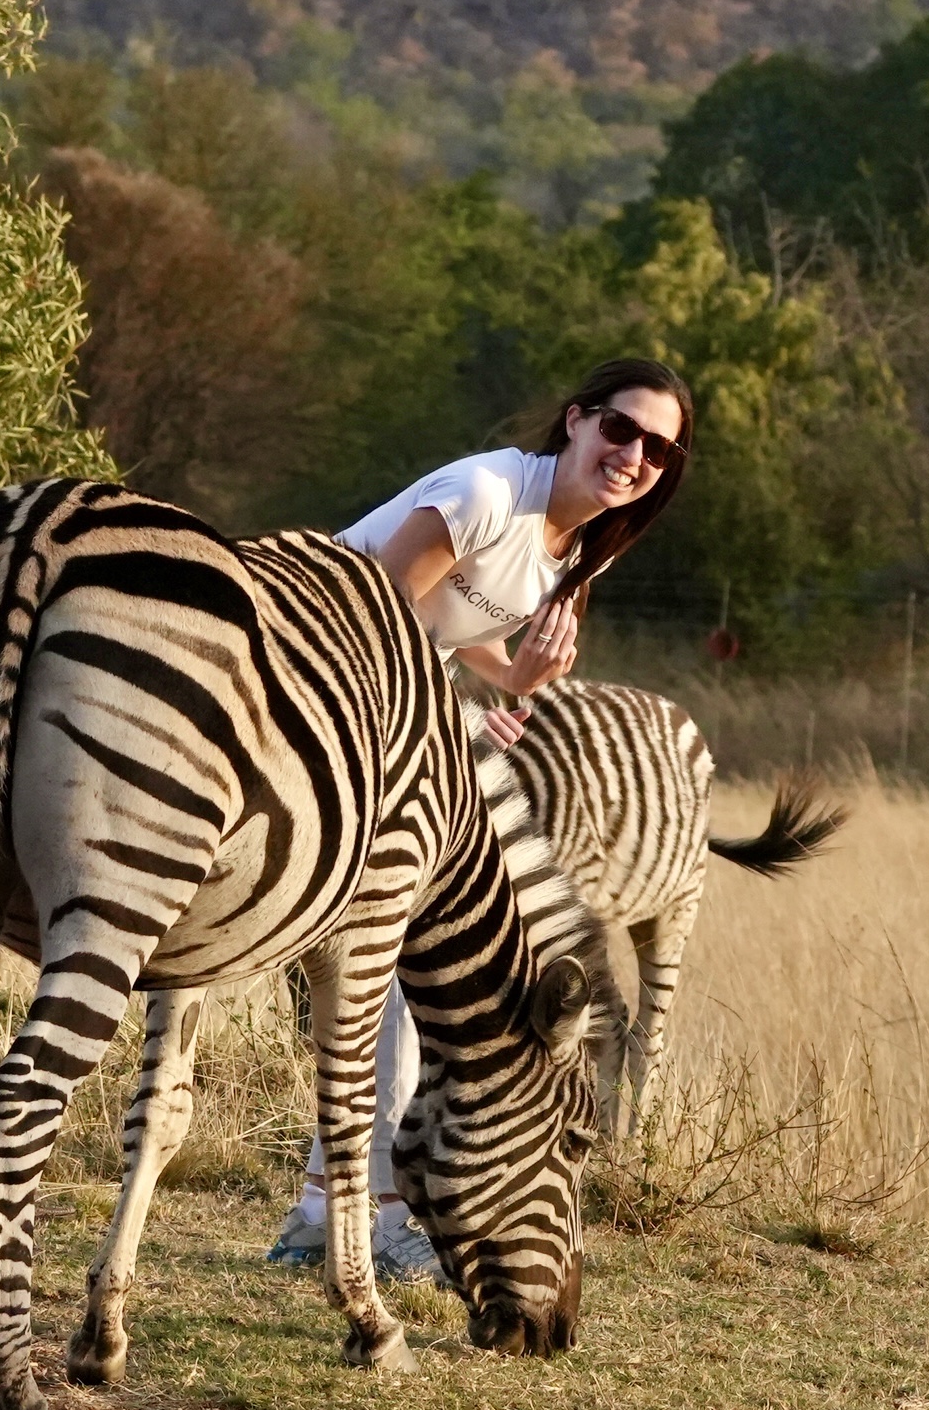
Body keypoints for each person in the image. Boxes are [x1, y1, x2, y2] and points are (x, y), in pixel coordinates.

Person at [267, 357, 695, 1278]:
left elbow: (466, 630)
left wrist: (511, 683)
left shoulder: (587, 541)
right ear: (576, 421)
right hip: (314, 697)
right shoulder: (485, 490)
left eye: (657, 449)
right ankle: (353, 1216)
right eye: (619, 428)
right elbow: (368, 607)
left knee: (403, 979)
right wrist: (446, 714)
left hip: (386, 719)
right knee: (394, 973)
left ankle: (324, 1211)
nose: (633, 455)